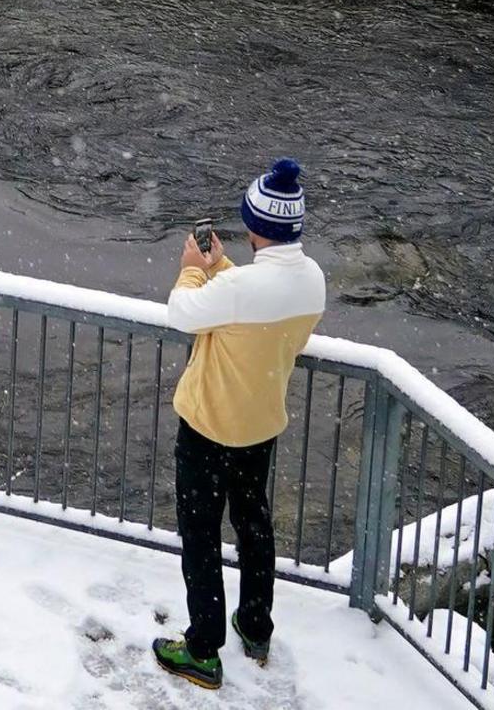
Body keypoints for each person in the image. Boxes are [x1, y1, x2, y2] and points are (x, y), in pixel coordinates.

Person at [152, 158, 329, 692]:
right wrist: (226, 268)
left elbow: (183, 311)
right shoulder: (313, 280)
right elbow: (252, 309)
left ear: (258, 227)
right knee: (254, 526)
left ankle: (203, 650)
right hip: (260, 428)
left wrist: (193, 266)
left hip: (208, 429)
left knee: (201, 535)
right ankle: (255, 627)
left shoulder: (240, 290)